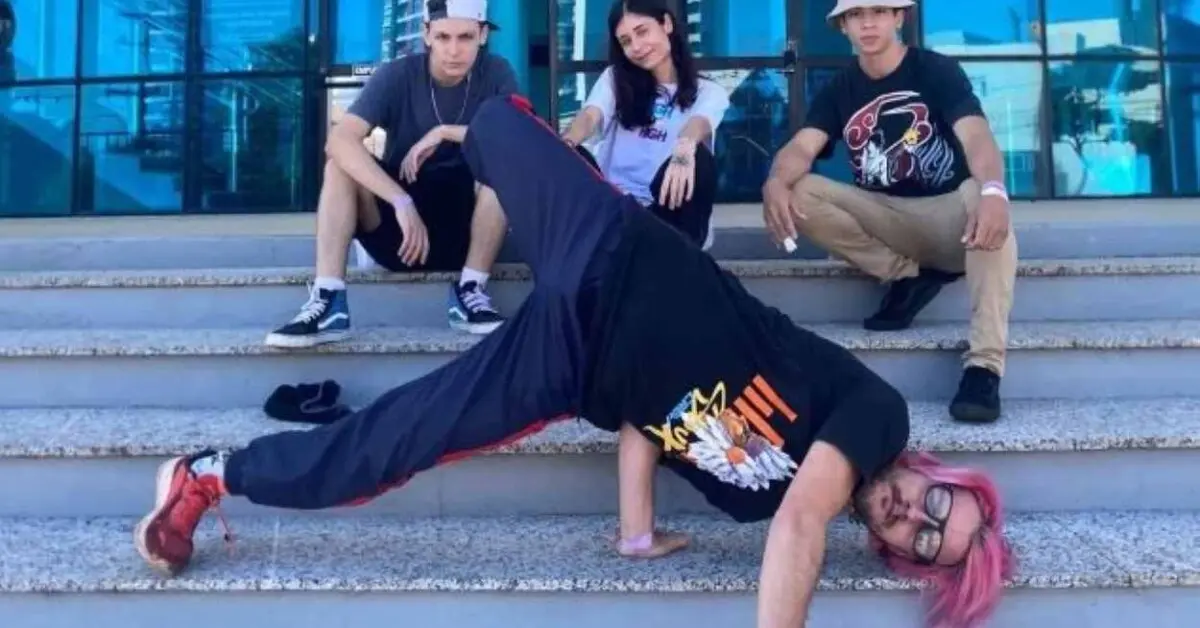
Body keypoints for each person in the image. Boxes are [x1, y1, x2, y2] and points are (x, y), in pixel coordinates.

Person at [134, 95, 1013, 628]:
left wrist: (635, 530)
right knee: (490, 123)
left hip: (572, 359)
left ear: (896, 555)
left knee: (397, 440)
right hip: (613, 250)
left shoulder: (758, 499)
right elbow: (802, 528)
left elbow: (656, 424)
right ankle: (455, 153)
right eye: (937, 505)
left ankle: (209, 474)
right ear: (937, 473)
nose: (913, 515)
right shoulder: (877, 422)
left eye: (924, 541)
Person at [760, 0, 1018, 424]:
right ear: (843, 26)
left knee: (982, 192)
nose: (867, 23)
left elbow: (976, 137)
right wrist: (774, 181)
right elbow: (803, 147)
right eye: (855, 15)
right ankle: (906, 277)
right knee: (799, 190)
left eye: (878, 11)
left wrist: (994, 190)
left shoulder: (934, 70)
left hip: (951, 219)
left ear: (899, 17)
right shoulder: (841, 88)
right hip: (888, 218)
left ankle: (984, 368)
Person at [264, 0, 515, 348]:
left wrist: (444, 132)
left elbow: (518, 137)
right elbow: (339, 140)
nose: (453, 50)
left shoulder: (496, 72)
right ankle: (329, 300)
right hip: (401, 235)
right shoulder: (398, 75)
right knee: (339, 165)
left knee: (505, 161)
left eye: (465, 37)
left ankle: (471, 290)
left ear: (483, 35)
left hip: (465, 234)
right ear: (426, 34)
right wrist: (401, 201)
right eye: (443, 37)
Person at [560, 0, 730, 248]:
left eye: (642, 32)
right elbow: (590, 116)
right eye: (626, 41)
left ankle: (681, 255)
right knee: (570, 154)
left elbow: (698, 123)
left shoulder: (708, 92)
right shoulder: (615, 80)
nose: (637, 47)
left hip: (667, 213)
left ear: (666, 24)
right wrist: (567, 142)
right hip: (615, 209)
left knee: (700, 159)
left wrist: (684, 149)